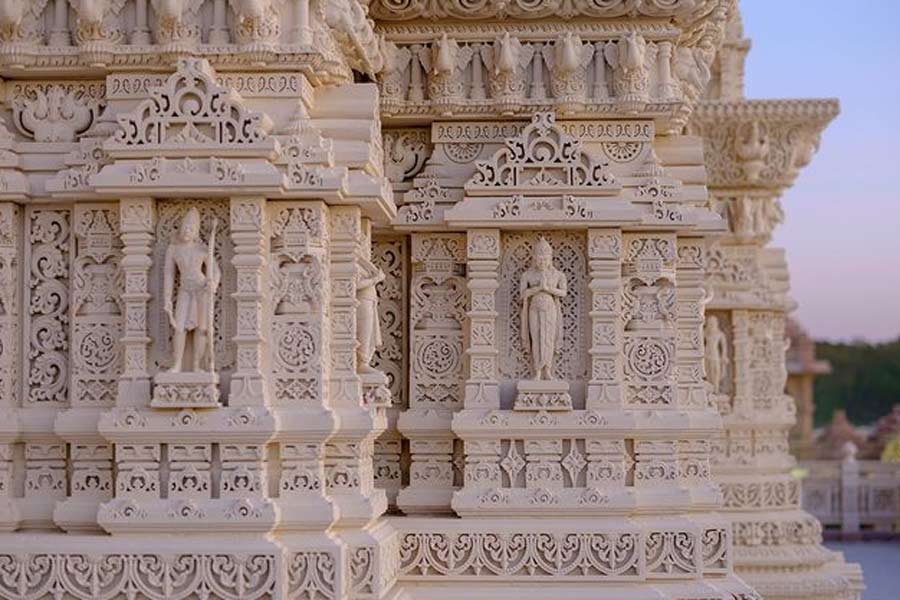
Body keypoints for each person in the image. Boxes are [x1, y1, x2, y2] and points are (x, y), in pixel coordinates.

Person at [163, 208, 219, 373]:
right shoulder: (173, 249)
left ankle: (196, 365)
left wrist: (213, 283)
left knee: (202, 328)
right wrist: (167, 298)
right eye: (185, 227)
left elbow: (215, 270)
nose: (187, 230)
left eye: (191, 228)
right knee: (179, 327)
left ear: (196, 232)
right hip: (185, 290)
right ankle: (177, 364)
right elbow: (169, 274)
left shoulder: (202, 249)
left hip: (201, 289)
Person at [520, 237, 567, 380]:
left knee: (548, 338)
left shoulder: (558, 275)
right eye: (539, 259)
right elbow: (522, 294)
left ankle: (548, 370)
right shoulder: (528, 275)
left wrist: (548, 289)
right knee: (536, 338)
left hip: (550, 308)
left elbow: (563, 293)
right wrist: (538, 288)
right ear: (534, 258)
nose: (542, 262)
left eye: (545, 259)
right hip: (534, 308)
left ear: (550, 259)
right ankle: (538, 371)